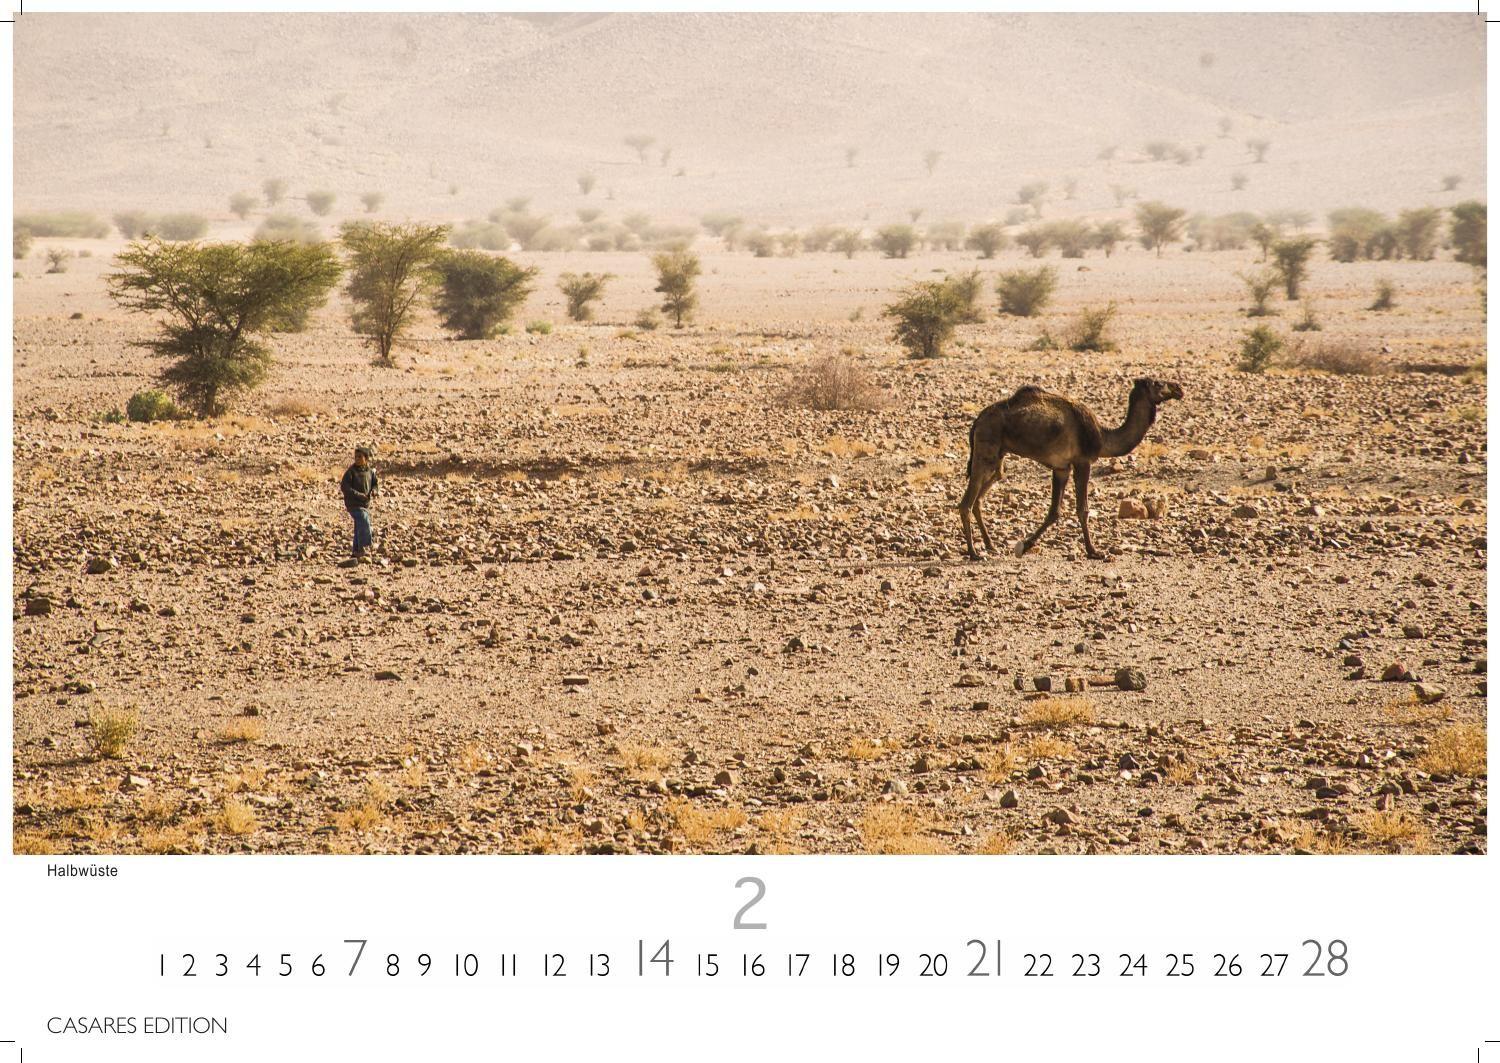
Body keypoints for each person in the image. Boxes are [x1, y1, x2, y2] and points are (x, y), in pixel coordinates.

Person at [340, 446, 379, 559]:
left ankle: (356, 552)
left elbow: (375, 484)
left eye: (360, 457)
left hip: (365, 503)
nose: (357, 459)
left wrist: (374, 491)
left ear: (366, 458)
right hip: (353, 504)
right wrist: (358, 495)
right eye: (356, 457)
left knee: (359, 524)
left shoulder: (370, 472)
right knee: (363, 518)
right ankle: (365, 547)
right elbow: (345, 487)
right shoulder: (351, 472)